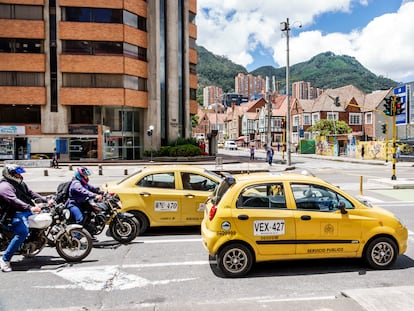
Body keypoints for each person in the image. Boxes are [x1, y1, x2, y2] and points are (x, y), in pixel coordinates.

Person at [0, 164, 51, 272]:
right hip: (13, 214)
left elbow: (30, 193)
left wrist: (45, 199)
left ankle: (32, 242)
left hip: (25, 211)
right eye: (17, 173)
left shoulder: (20, 183)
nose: (19, 175)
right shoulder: (5, 186)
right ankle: (5, 259)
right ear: (10, 174)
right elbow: (14, 200)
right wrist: (30, 207)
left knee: (45, 216)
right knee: (22, 232)